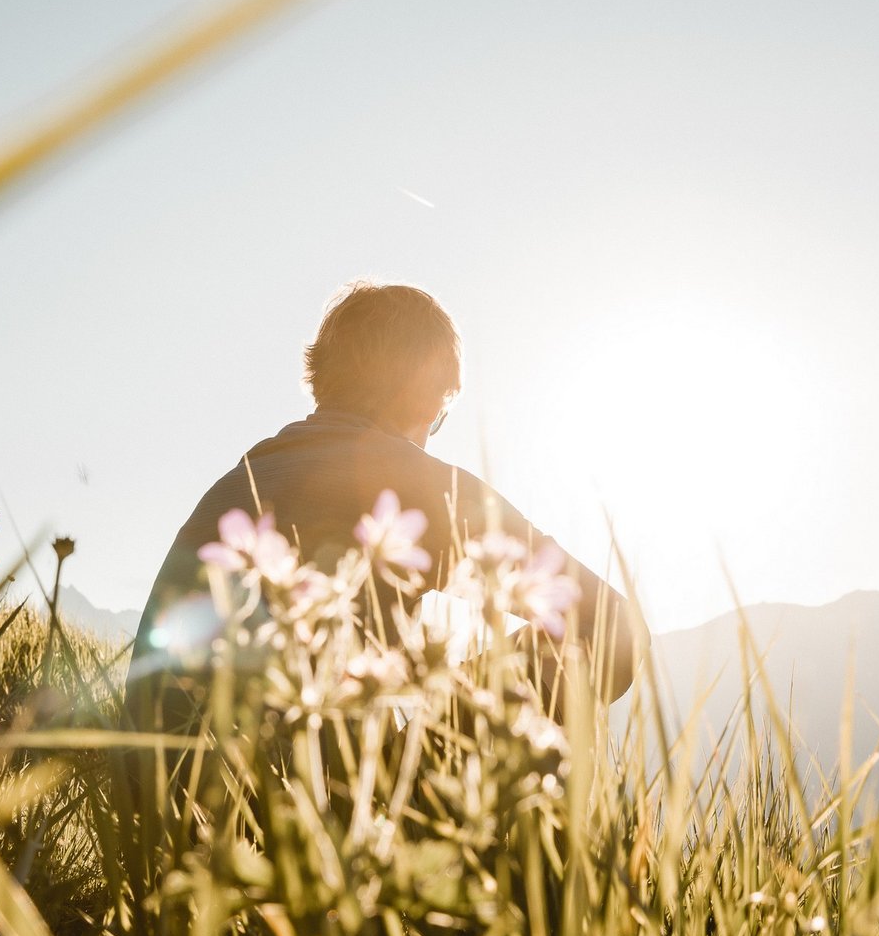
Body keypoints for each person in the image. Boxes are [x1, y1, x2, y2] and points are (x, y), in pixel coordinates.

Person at [123, 281, 644, 736]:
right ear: (427, 401)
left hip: (154, 822)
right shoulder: (418, 486)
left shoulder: (234, 486)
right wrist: (441, 730)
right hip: (306, 818)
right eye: (438, 418)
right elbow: (609, 622)